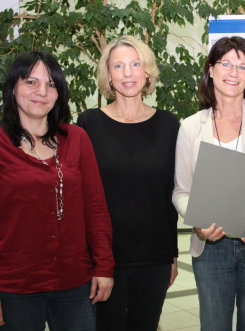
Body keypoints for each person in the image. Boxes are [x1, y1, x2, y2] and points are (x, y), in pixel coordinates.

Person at [0, 51, 114, 330]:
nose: (41, 92)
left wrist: (104, 267)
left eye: (51, 84)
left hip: (74, 284)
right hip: (15, 287)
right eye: (31, 82)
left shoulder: (76, 139)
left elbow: (95, 209)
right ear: (13, 88)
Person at [172, 36, 245, 331]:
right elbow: (181, 191)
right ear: (211, 69)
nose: (233, 72)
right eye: (226, 63)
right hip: (211, 247)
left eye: (242, 66)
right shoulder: (190, 127)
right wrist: (199, 222)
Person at [77, 35, 179, 331]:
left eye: (135, 64)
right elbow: (83, 196)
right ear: (108, 75)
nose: (127, 73)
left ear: (147, 71)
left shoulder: (169, 124)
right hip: (105, 258)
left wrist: (172, 254)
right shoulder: (89, 123)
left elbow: (170, 195)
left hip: (154, 256)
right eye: (118, 66)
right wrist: (93, 259)